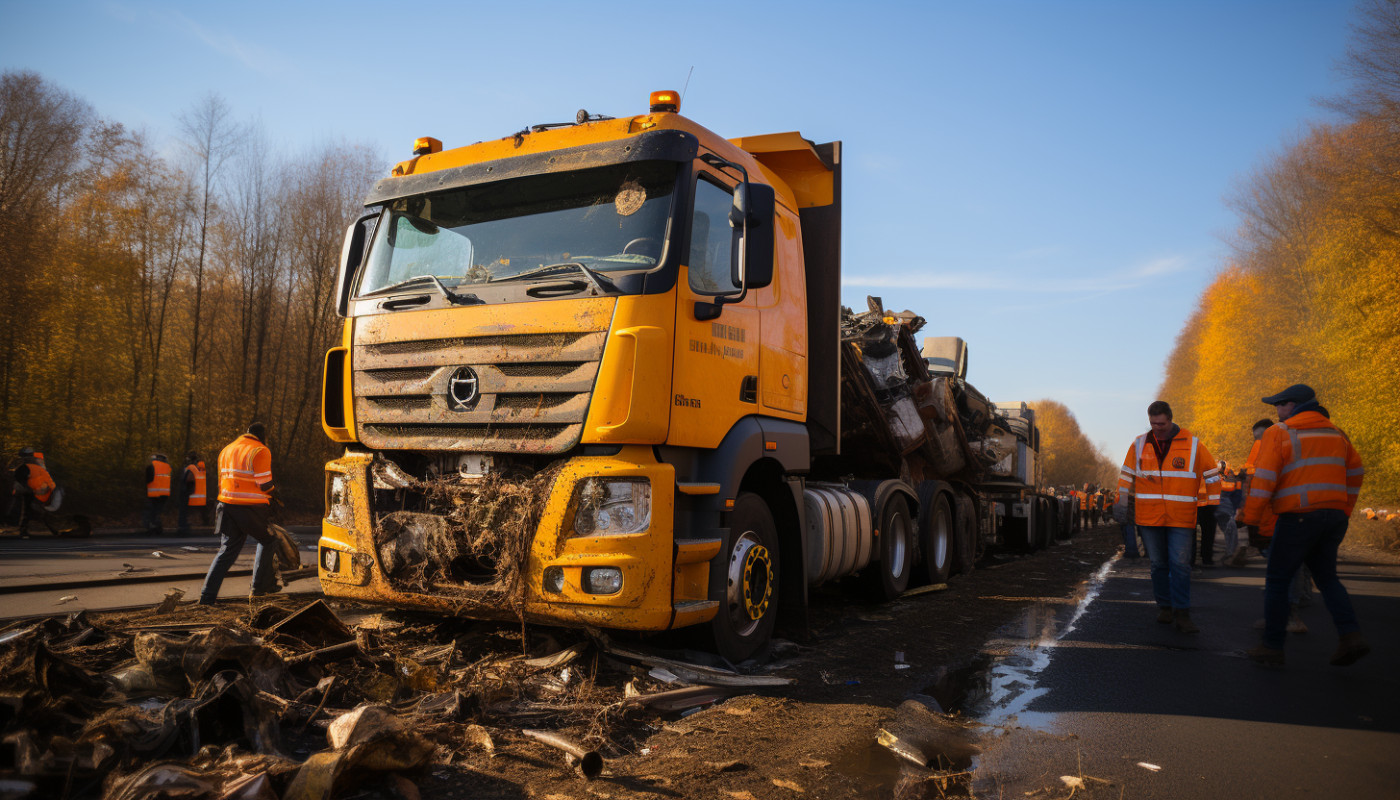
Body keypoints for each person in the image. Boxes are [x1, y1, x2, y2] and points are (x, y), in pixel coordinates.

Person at [1242, 384, 1368, 667]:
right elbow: (1356, 472)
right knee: (1327, 578)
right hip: (1333, 517)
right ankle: (1351, 636)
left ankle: (1272, 647)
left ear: (1294, 405)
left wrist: (1250, 518)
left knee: (1277, 580)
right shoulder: (1337, 433)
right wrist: (1344, 509)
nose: (1276, 411)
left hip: (1297, 518)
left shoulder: (1280, 432)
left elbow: (1263, 482)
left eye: (1279, 404)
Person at [1113, 400, 1218, 633]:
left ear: (1170, 420)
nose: (1157, 428)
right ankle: (1165, 607)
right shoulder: (1140, 444)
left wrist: (1211, 504)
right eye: (1153, 423)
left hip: (1181, 517)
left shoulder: (1193, 445)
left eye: (1161, 423)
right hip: (1149, 517)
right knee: (1158, 564)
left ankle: (1182, 612)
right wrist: (1121, 499)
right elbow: (1127, 473)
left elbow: (1211, 474)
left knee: (1180, 564)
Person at [199, 423, 280, 604]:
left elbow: (223, 481)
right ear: (262, 436)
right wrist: (277, 495)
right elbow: (265, 484)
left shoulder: (227, 450)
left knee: (226, 551)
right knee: (268, 541)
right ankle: (258, 590)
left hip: (226, 505)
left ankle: (206, 597)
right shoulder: (260, 450)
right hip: (250, 507)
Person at [13, 447, 60, 537]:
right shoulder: (37, 466)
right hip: (36, 492)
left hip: (34, 492)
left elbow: (20, 480)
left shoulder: (25, 467)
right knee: (33, 511)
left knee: (30, 511)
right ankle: (52, 529)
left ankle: (24, 530)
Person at [1192, 460, 1222, 567]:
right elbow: (1215, 481)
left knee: (1191, 532)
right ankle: (1206, 558)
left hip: (1195, 502)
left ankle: (1192, 560)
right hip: (1208, 502)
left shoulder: (1191, 459)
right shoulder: (1208, 460)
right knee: (1208, 532)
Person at [1215, 460, 1242, 567]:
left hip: (1217, 504)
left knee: (1228, 527)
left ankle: (1231, 553)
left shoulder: (1230, 477)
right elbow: (1237, 494)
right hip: (1221, 505)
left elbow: (1237, 494)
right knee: (1230, 528)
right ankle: (1231, 552)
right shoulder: (1232, 477)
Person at [176, 451, 207, 536]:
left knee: (184, 512)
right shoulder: (201, 468)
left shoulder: (191, 468)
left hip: (188, 493)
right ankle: (185, 527)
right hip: (199, 496)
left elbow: (189, 479)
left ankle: (182, 528)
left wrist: (186, 488)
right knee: (190, 513)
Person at [143, 453, 172, 535]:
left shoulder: (151, 466)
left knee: (152, 511)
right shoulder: (168, 467)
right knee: (158, 511)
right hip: (164, 493)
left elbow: (148, 479)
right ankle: (158, 527)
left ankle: (152, 528)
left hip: (153, 493)